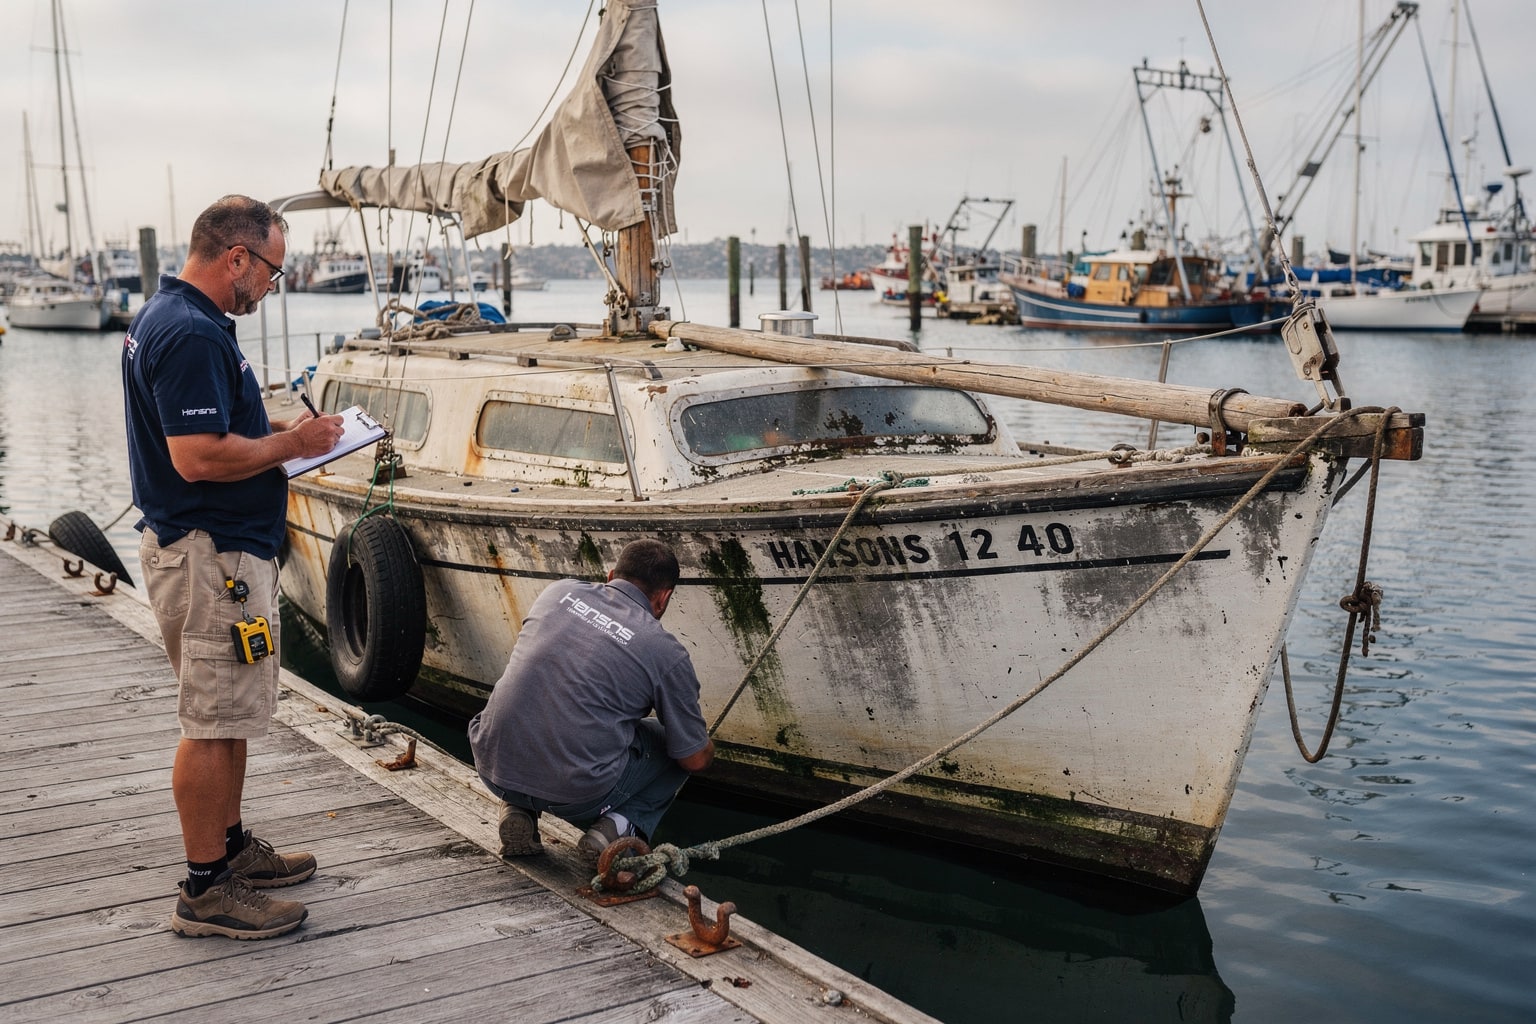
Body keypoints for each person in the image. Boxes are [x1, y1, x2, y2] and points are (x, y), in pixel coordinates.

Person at [122, 194, 346, 940]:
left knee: (233, 712)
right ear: (236, 258)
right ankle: (206, 888)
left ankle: (232, 848)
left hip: (219, 553)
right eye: (272, 272)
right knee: (212, 719)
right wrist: (294, 447)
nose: (272, 287)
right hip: (209, 555)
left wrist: (276, 430)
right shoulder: (188, 333)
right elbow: (195, 456)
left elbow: (219, 430)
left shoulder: (179, 319)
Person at [468, 539, 715, 862]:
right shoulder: (665, 652)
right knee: (677, 749)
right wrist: (706, 747)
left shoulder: (557, 592)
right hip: (575, 794)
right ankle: (614, 830)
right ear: (664, 598)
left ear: (611, 575)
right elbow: (693, 759)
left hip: (492, 767)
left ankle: (518, 807)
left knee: (540, 709)